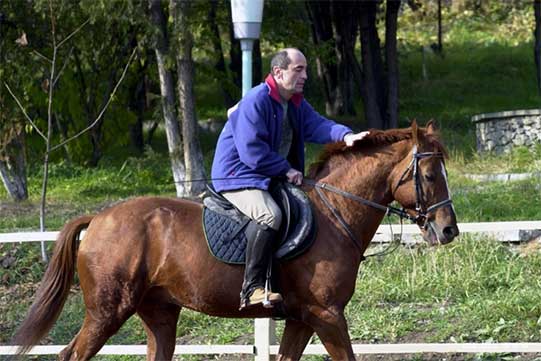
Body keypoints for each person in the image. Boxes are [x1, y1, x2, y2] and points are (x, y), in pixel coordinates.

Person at [211, 48, 369, 309]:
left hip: (266, 175)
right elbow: (252, 152)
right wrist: (285, 169)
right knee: (270, 215)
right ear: (278, 72)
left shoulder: (294, 102)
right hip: (239, 176)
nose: (305, 75)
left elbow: (318, 125)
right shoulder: (255, 100)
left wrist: (346, 136)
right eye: (299, 69)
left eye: (306, 69)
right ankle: (251, 289)